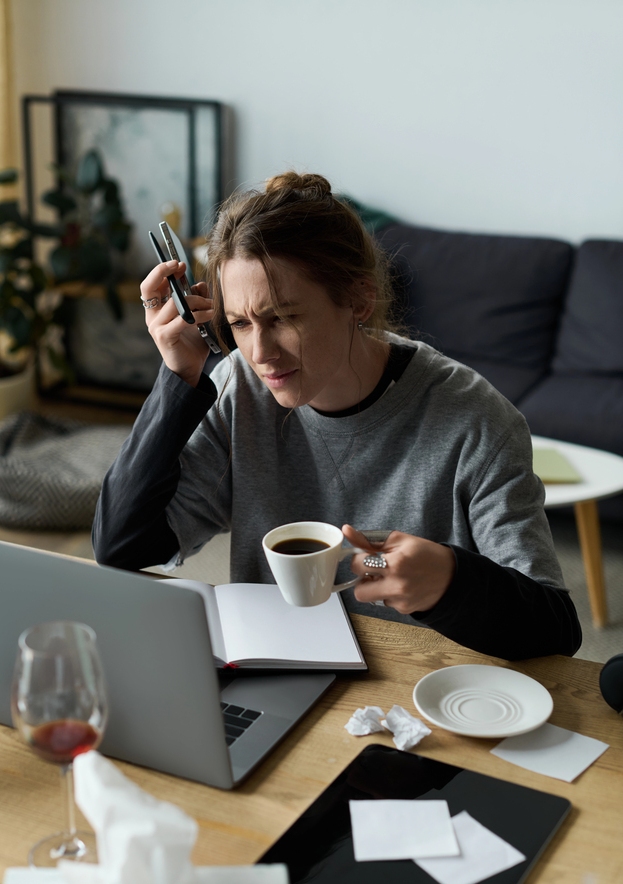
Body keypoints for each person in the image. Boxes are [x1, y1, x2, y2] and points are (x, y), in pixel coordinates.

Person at [92, 171, 581, 661]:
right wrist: (177, 377)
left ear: (358, 300)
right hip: (281, 667)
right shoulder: (238, 389)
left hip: (427, 691)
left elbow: (555, 628)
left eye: (282, 317)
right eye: (240, 323)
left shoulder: (476, 421)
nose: (259, 352)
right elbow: (125, 547)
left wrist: (450, 582)